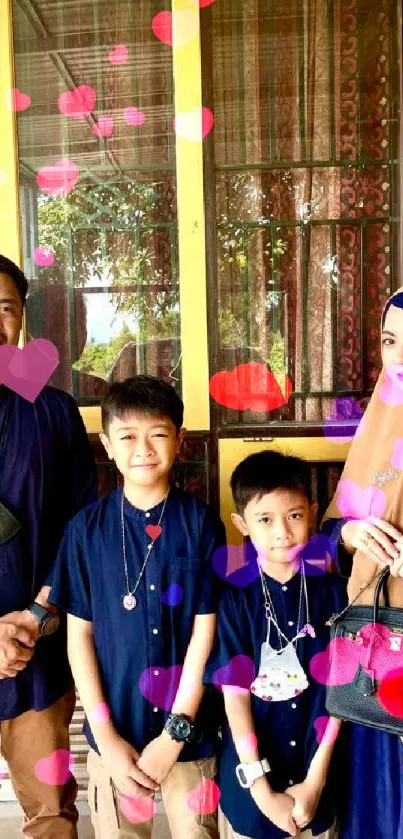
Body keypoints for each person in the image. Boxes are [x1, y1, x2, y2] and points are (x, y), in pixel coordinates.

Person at [48, 375, 225, 839]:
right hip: (116, 733)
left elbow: (204, 634)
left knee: (197, 833)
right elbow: (78, 637)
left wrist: (174, 734)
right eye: (127, 436)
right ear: (107, 444)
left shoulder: (201, 524)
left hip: (190, 736)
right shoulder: (84, 532)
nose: (143, 448)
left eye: (158, 434)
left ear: (180, 439)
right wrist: (104, 735)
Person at [0, 253, 98, 837]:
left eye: (4, 308)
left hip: (33, 651)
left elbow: (79, 525)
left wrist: (38, 613)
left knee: (51, 814)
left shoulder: (52, 410)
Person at [205, 450, 347, 839]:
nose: (282, 531)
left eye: (295, 515)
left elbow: (342, 694)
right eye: (265, 519)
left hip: (318, 784)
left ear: (313, 512)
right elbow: (234, 699)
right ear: (242, 524)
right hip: (250, 793)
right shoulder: (233, 601)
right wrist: (262, 791)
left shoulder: (337, 596)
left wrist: (315, 780)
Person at [322, 287, 403, 839]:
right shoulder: (380, 419)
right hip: (376, 645)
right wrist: (351, 530)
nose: (399, 359)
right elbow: (328, 538)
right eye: (392, 342)